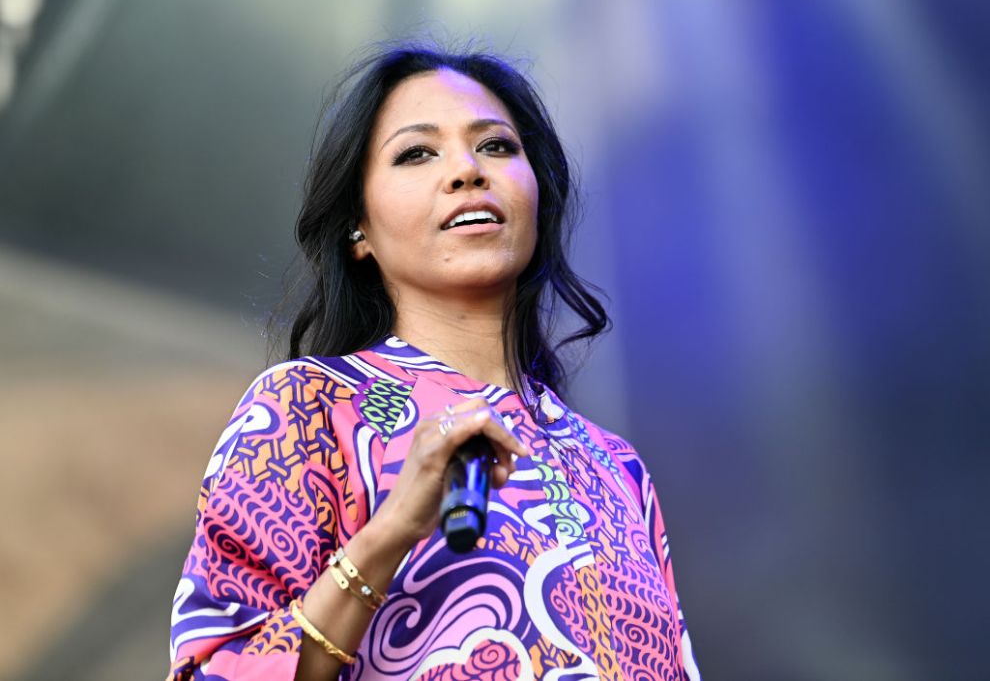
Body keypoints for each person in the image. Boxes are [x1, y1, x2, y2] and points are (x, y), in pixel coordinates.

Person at [167, 44, 701, 681]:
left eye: (497, 146)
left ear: (538, 196)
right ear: (357, 229)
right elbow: (214, 671)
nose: (467, 169)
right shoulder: (306, 408)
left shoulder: (617, 467)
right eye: (417, 152)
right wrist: (390, 531)